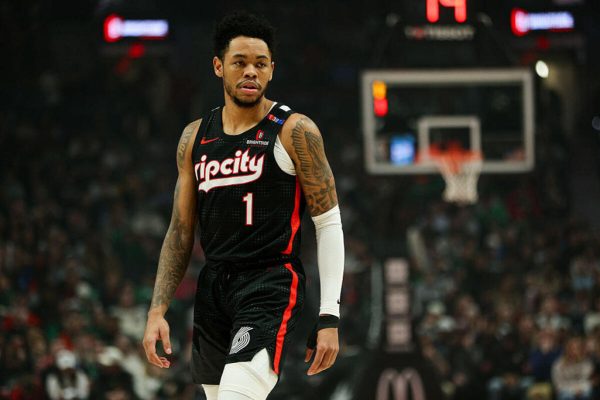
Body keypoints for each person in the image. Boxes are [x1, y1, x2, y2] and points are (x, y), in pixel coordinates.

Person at [142, 12, 345, 400]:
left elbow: (329, 222)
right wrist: (157, 311)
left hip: (269, 281)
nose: (251, 71)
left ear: (272, 70)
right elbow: (180, 231)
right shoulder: (195, 137)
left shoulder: (295, 131)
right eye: (240, 62)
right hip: (214, 287)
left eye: (260, 64)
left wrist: (329, 315)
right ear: (219, 66)